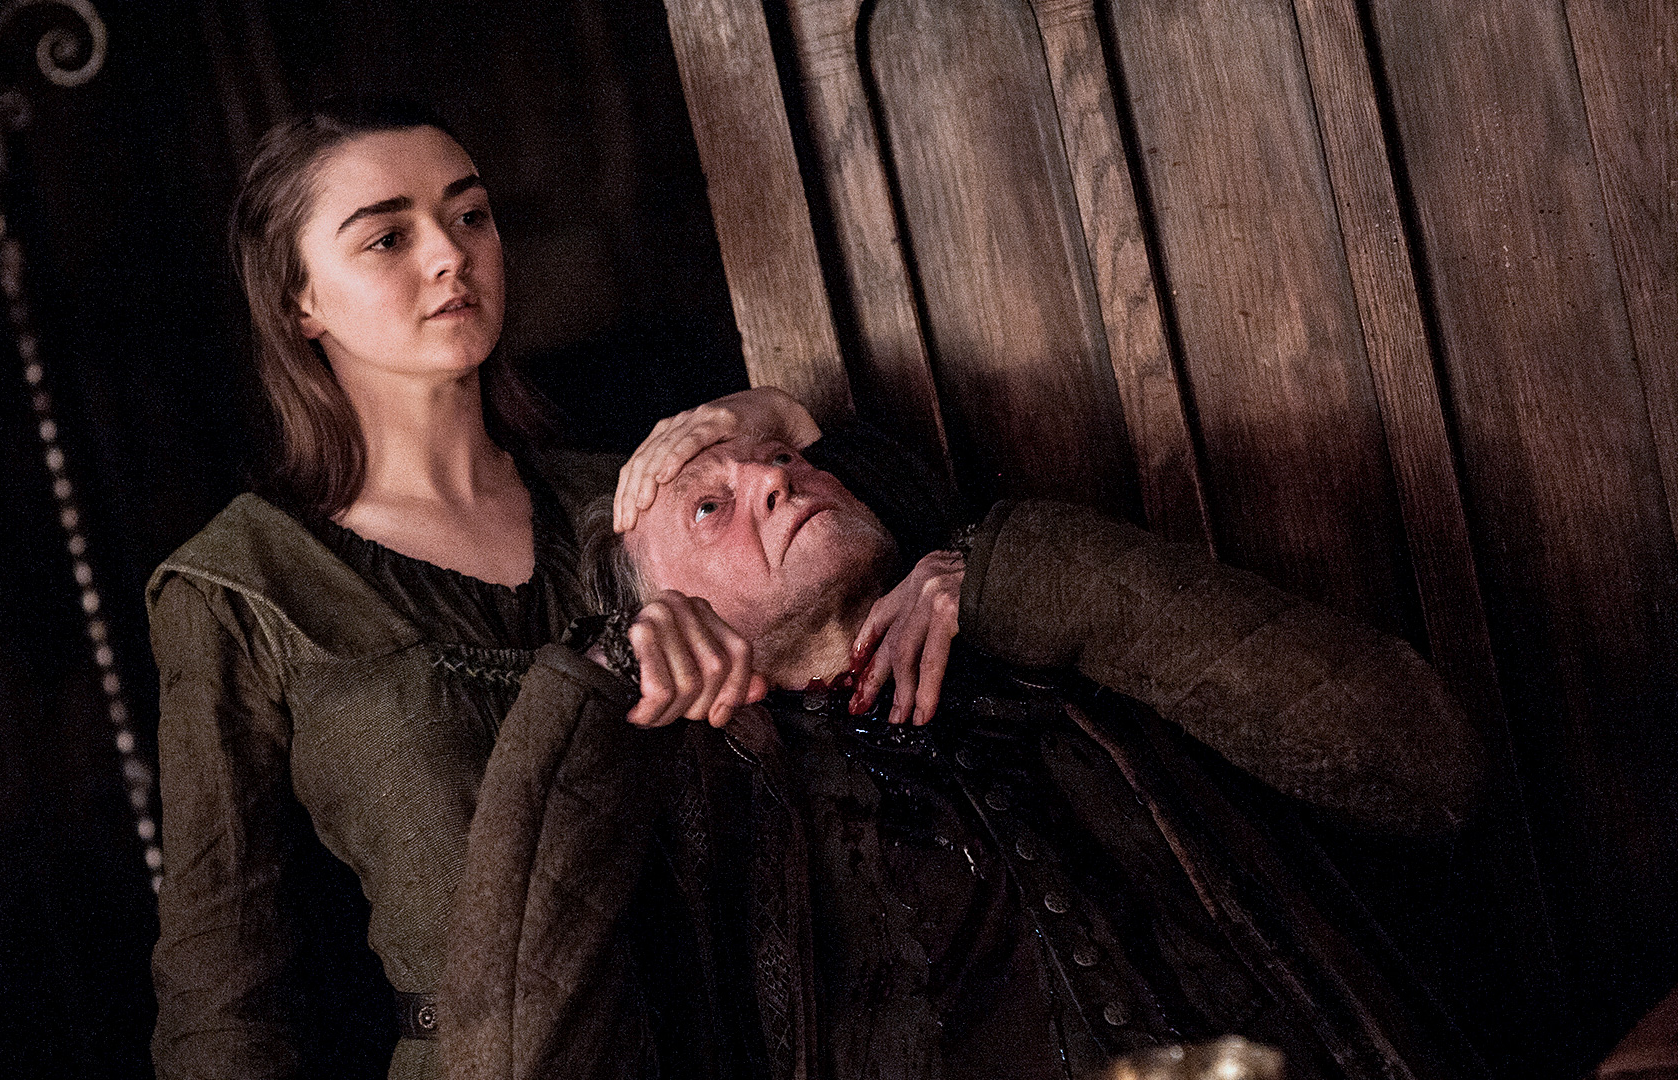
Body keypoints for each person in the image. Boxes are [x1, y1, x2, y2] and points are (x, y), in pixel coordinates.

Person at [145, 98, 953, 1080]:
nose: (450, 255)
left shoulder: (633, 499)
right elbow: (222, 991)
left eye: (470, 215)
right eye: (389, 237)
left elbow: (841, 604)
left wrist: (793, 425)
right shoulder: (242, 586)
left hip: (752, 1045)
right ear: (296, 301)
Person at [441, 434, 1492, 1080]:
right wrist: (596, 689)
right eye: (709, 506)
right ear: (664, 616)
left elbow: (1426, 765)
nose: (775, 477)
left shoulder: (1059, 651)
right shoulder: (698, 827)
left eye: (788, 460)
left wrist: (1013, 577)